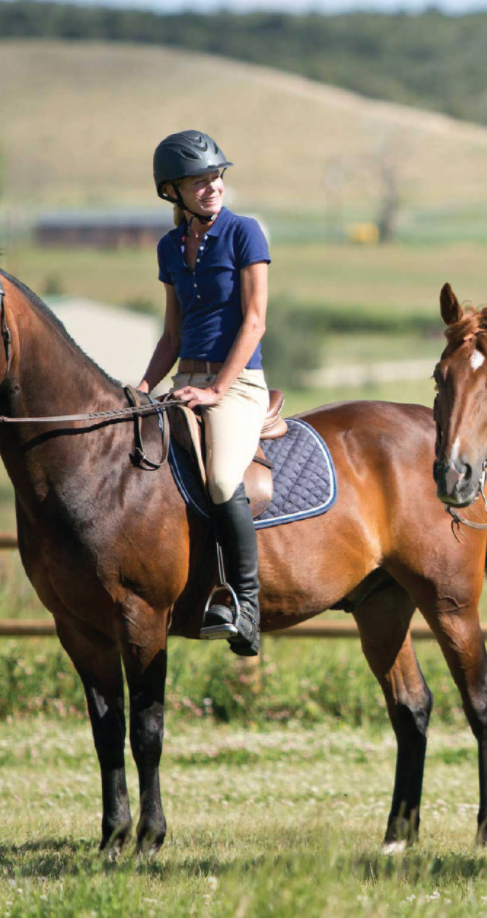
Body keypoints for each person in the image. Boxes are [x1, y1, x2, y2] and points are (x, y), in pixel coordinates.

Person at [138, 130, 270, 656]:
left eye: (217, 176)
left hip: (236, 385)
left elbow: (255, 321)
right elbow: (172, 333)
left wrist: (217, 389)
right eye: (200, 180)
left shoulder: (246, 233)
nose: (213, 186)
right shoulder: (169, 247)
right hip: (183, 384)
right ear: (174, 191)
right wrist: (144, 387)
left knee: (219, 478)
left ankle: (247, 606)